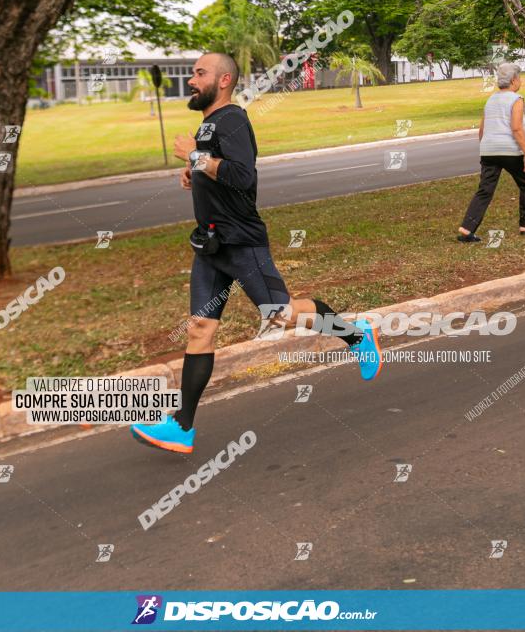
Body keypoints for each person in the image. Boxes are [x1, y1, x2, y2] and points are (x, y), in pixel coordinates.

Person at [131, 52, 383, 454]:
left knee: (280, 315)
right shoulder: (210, 122)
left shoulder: (232, 119)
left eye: (200, 73)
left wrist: (195, 157)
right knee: (200, 329)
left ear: (225, 79)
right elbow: (220, 170)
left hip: (241, 242)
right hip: (210, 245)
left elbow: (244, 176)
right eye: (193, 73)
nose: (192, 80)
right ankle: (182, 426)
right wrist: (193, 171)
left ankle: (356, 335)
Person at [458, 63, 525, 243]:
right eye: (519, 78)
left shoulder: (491, 99)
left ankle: (466, 229)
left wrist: (487, 149)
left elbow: (482, 130)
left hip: (488, 151)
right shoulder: (516, 99)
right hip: (510, 150)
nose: (520, 81)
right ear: (513, 80)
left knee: (485, 190)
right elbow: (517, 128)